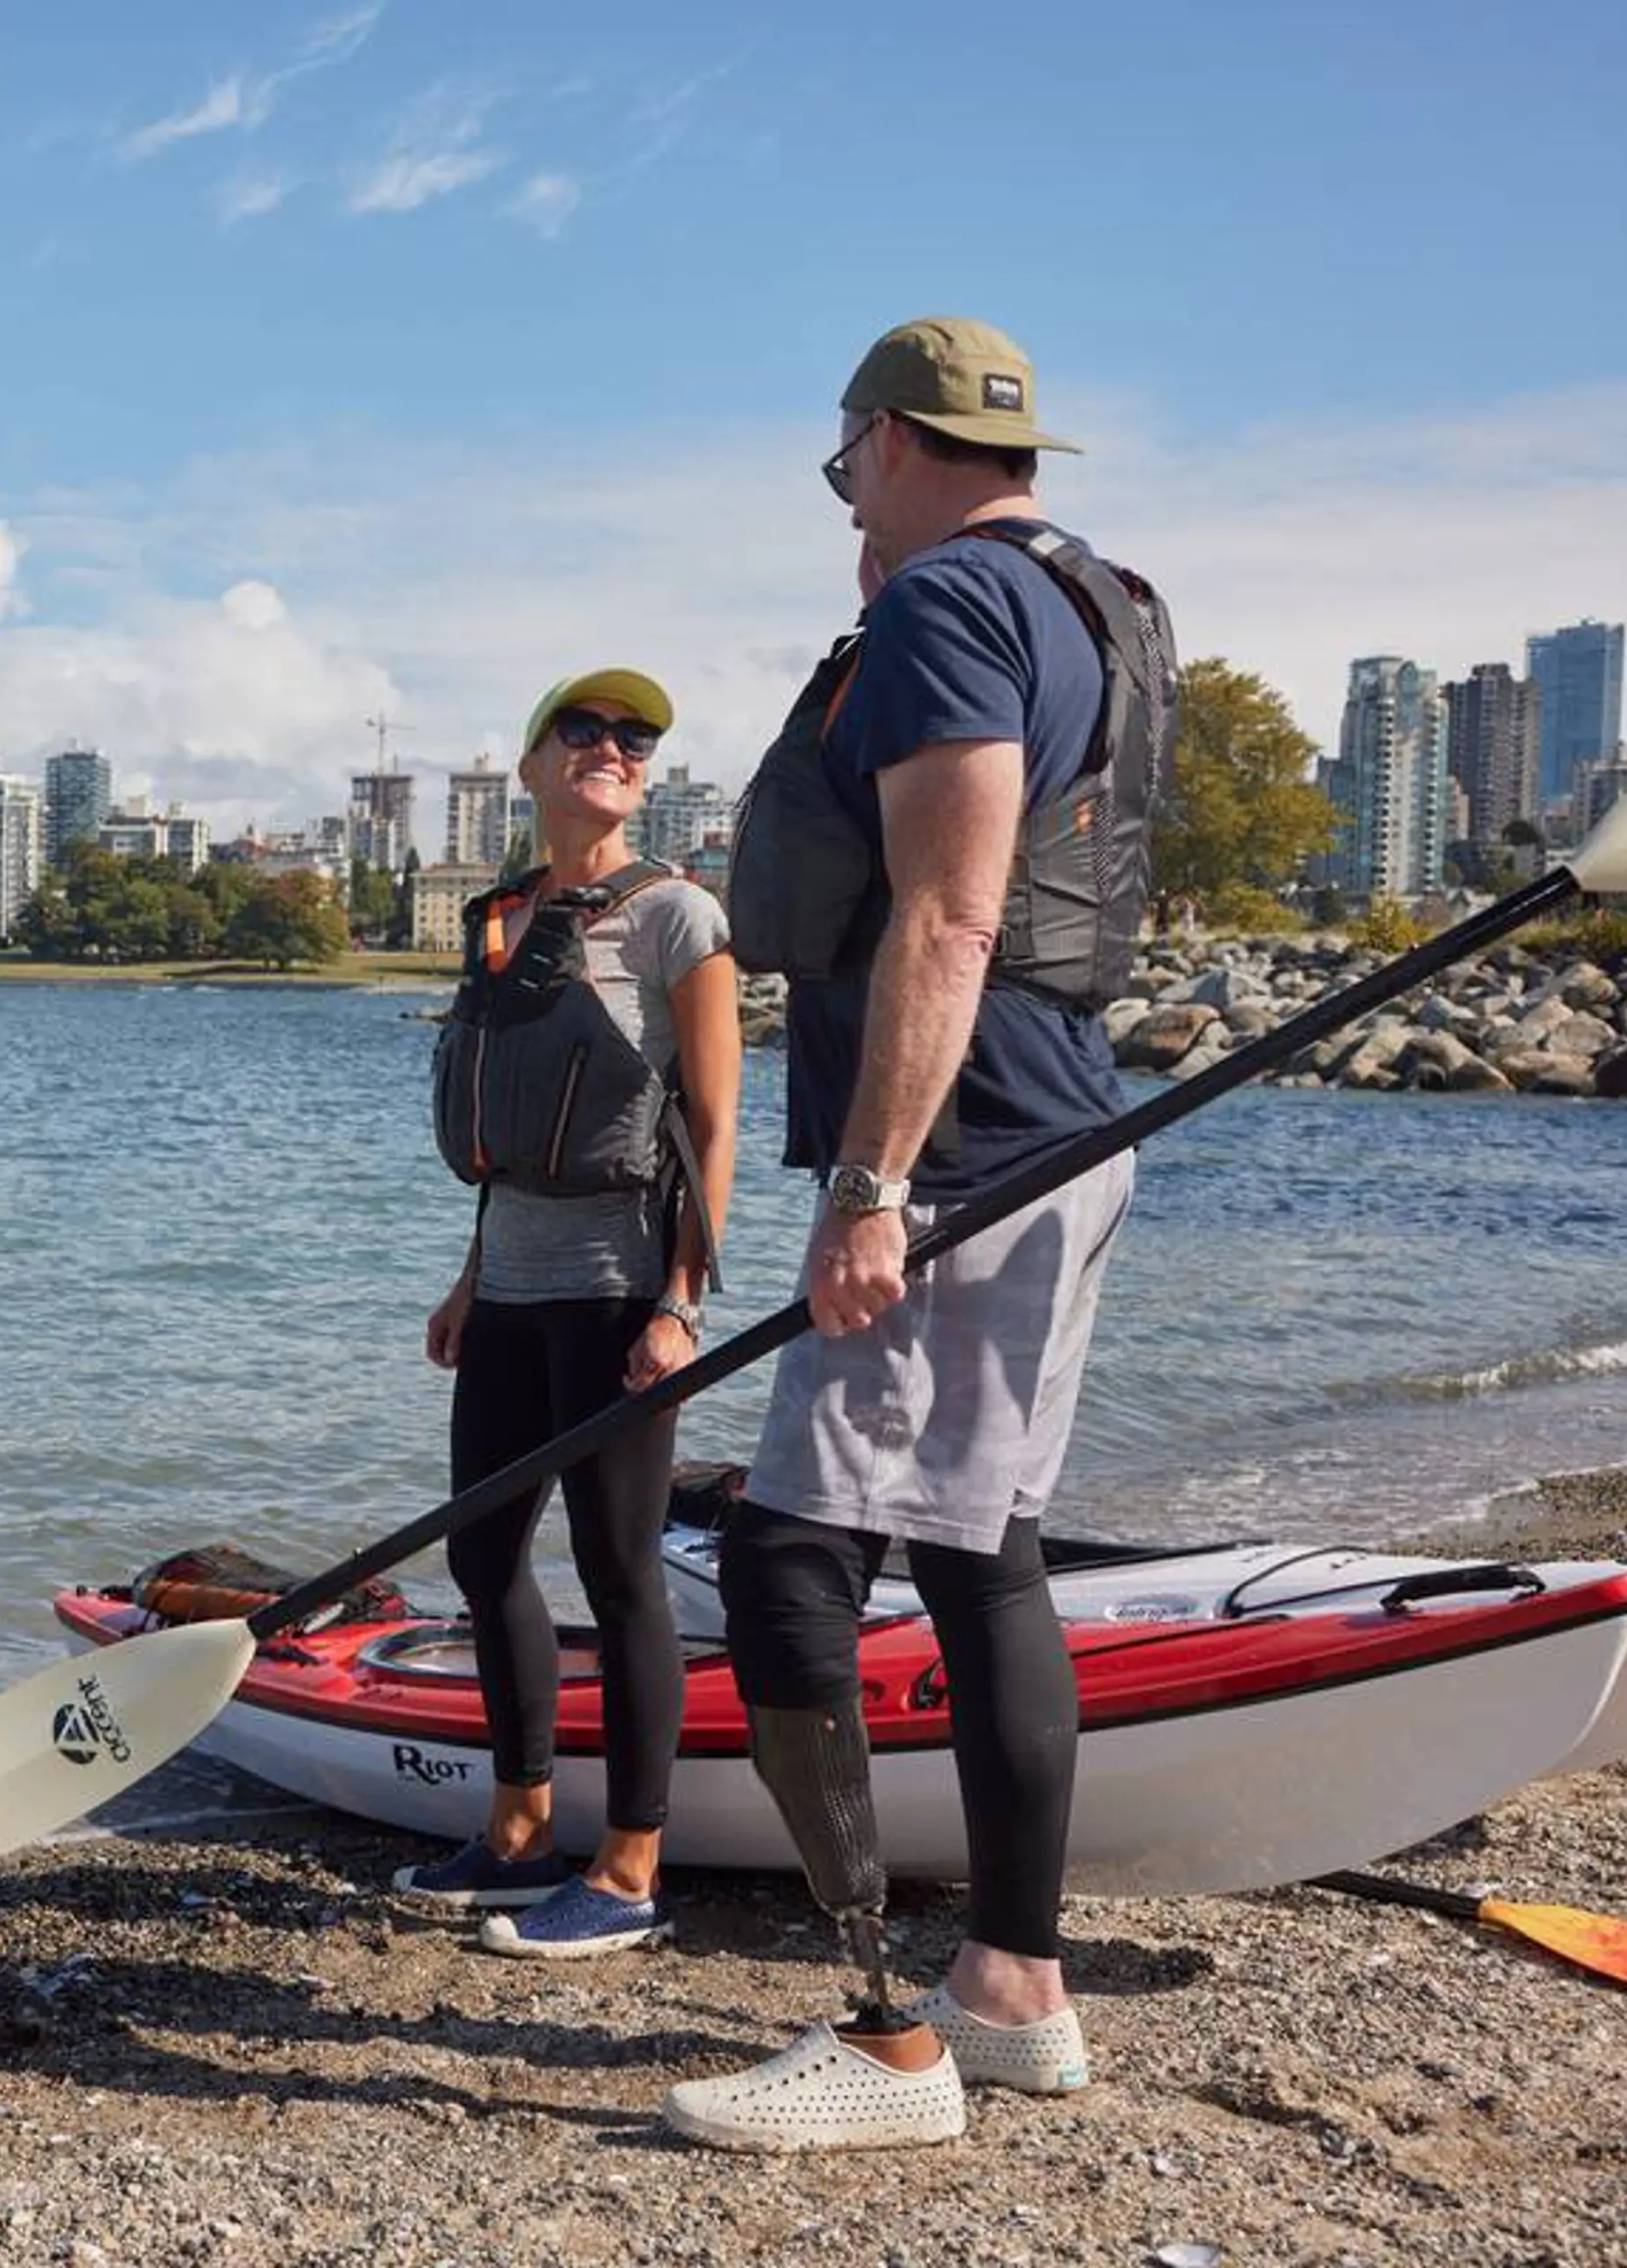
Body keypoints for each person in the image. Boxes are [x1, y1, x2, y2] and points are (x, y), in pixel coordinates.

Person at [661, 315, 1175, 2149]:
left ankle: (885, 2037)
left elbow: (951, 914)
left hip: (960, 1155)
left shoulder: (950, 606)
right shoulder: (1098, 595)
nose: (842, 508)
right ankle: (1017, 1985)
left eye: (839, 468)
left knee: (796, 1551)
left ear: (888, 438)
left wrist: (872, 1187)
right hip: (1057, 1123)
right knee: (981, 1551)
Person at [391, 667, 741, 1960]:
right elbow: (504, 1125)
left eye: (633, 738)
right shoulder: (498, 920)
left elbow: (714, 1127)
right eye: (583, 730)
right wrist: (472, 1277)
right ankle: (519, 1833)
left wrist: (682, 1303)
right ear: (533, 762)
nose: (611, 748)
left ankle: (632, 1868)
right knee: (485, 1563)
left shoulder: (678, 920)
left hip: (616, 1297)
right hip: (512, 1292)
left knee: (620, 1570)